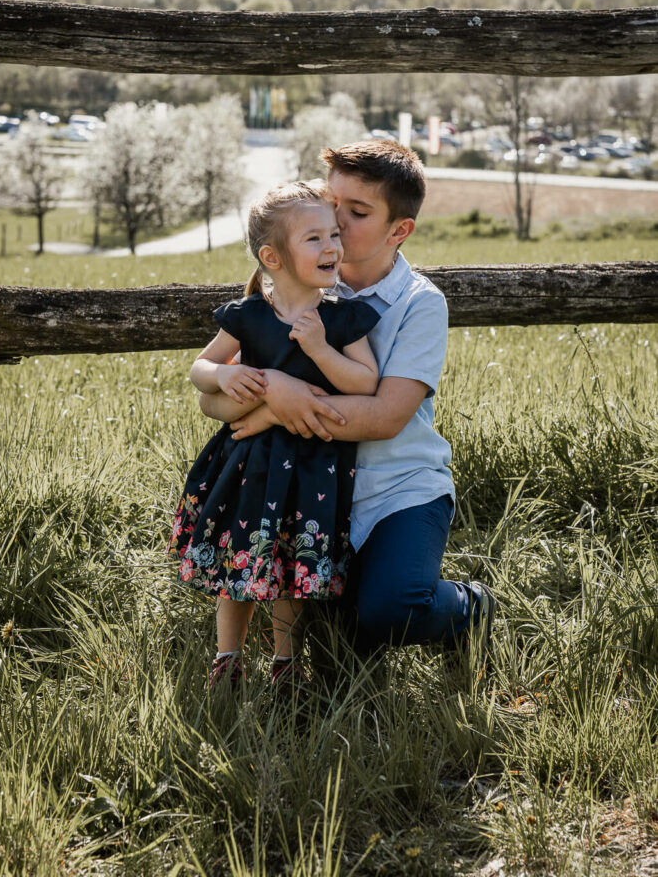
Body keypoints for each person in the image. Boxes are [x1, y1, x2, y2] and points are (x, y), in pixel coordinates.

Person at [201, 140, 494, 659]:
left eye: (355, 213)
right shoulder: (289, 289)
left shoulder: (419, 305)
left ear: (398, 229)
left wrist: (276, 405)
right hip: (309, 494)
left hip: (397, 490)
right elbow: (214, 403)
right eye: (330, 203)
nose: (334, 222)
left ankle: (472, 605)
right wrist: (260, 394)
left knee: (392, 609)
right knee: (333, 632)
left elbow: (384, 417)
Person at [168, 180, 379, 689]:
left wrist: (321, 350)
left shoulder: (341, 317)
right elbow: (200, 369)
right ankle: (226, 662)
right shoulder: (249, 317)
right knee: (236, 567)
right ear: (273, 256)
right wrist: (222, 376)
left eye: (334, 234)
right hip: (248, 464)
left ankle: (286, 665)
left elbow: (367, 381)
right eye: (315, 239)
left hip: (309, 466)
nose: (333, 247)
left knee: (287, 564)